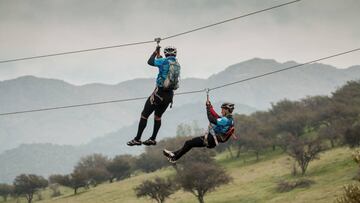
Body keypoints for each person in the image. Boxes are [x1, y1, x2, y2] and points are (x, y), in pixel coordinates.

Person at [127, 45, 180, 146]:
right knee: (158, 117)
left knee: (144, 115)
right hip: (169, 95)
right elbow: (166, 71)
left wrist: (155, 52)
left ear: (165, 54)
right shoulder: (177, 64)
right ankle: (153, 138)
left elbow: (150, 62)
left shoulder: (163, 61)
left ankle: (137, 139)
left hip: (159, 93)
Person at [163, 99, 235, 163]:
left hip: (211, 139)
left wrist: (208, 109)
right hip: (212, 139)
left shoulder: (225, 120)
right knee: (189, 144)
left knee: (189, 143)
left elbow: (212, 119)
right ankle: (174, 154)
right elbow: (216, 116)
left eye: (222, 109)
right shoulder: (229, 120)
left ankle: (174, 157)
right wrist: (209, 107)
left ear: (226, 110)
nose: (221, 111)